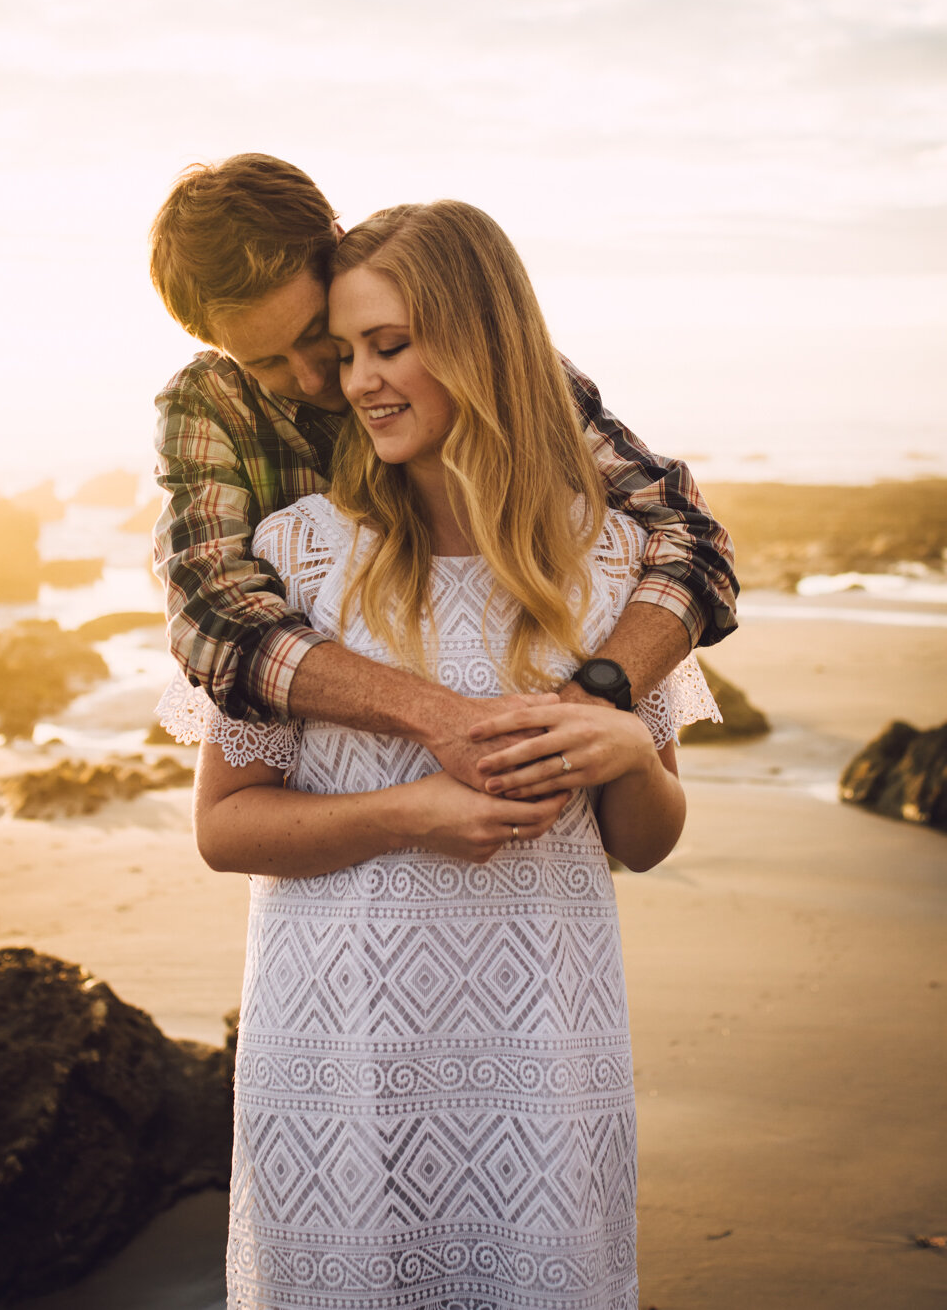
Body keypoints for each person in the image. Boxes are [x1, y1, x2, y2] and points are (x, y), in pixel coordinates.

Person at [158, 200, 721, 1309]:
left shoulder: (610, 569)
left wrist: (620, 746)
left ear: (481, 342)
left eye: (384, 345)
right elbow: (224, 829)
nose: (343, 382)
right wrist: (412, 810)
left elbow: (647, 843)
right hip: (335, 1054)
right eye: (339, 352)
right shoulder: (296, 558)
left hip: (545, 1060)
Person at [150, 155, 737, 790]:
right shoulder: (209, 403)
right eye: (266, 362)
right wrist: (441, 720)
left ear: (338, 251)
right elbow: (214, 621)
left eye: (318, 334)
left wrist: (592, 704)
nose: (320, 380)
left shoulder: (480, 362)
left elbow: (690, 536)